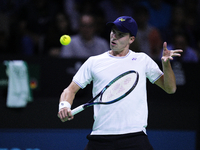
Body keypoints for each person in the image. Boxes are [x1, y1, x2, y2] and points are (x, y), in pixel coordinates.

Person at [58, 16, 182, 149]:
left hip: (134, 136)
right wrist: (64, 106)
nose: (114, 37)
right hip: (101, 137)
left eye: (121, 34)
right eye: (113, 32)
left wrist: (166, 64)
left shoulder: (142, 60)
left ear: (131, 39)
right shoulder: (94, 62)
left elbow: (170, 89)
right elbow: (70, 90)